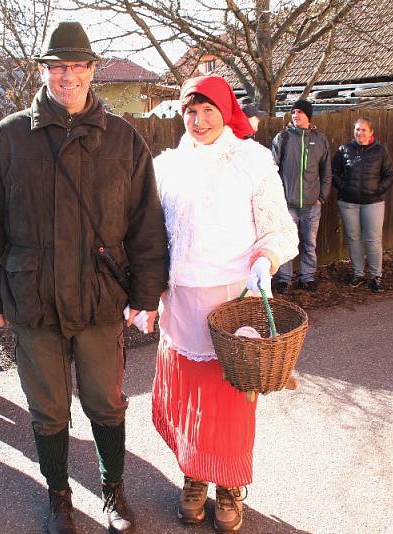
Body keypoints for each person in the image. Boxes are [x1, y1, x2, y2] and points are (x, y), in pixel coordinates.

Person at [0, 21, 168, 534]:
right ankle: (58, 496)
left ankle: (113, 488)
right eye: (58, 66)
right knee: (48, 408)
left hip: (100, 298)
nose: (67, 76)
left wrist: (146, 292)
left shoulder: (122, 139)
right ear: (44, 70)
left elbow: (146, 222)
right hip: (33, 297)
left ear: (92, 71)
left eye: (77, 66)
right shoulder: (9, 138)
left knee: (106, 400)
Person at [151, 75, 298, 533]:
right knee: (191, 398)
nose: (198, 120)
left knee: (230, 399)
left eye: (208, 110)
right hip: (181, 302)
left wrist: (266, 259)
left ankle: (229, 485)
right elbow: (151, 234)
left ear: (225, 110)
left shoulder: (251, 160)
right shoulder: (167, 167)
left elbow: (278, 228)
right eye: (190, 112)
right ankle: (195, 476)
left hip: (233, 302)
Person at [270, 99, 332, 293]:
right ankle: (284, 278)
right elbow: (271, 170)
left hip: (312, 205)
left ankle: (307, 277)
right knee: (286, 243)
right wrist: (277, 198)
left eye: (300, 112)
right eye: (293, 112)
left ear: (308, 116)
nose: (296, 115)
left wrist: (322, 197)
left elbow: (326, 172)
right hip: (287, 204)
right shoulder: (283, 137)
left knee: (309, 243)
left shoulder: (320, 140)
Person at [331, 118, 393, 293]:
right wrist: (344, 187)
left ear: (371, 132)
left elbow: (390, 174)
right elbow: (333, 172)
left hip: (373, 203)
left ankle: (376, 276)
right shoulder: (345, 150)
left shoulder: (380, 151)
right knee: (353, 239)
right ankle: (358, 273)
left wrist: (378, 189)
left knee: (373, 240)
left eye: (363, 130)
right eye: (357, 130)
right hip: (348, 203)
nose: (360, 133)